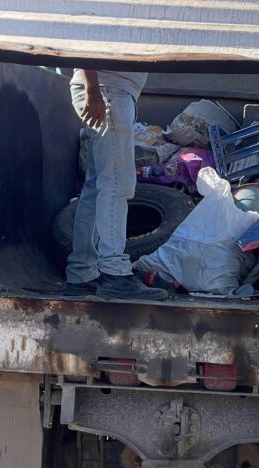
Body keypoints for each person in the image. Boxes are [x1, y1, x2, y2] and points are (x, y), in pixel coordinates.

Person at [66, 69, 167, 301]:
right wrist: (93, 90)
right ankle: (114, 273)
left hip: (107, 91)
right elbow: (86, 41)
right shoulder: (103, 88)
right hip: (107, 92)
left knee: (96, 187)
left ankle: (82, 273)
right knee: (116, 184)